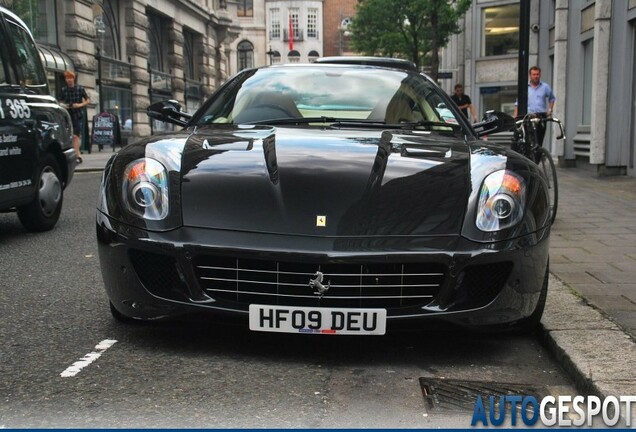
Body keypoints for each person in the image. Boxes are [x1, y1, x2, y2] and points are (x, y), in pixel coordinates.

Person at [513, 66, 556, 146]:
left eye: (537, 74)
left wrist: (550, 110)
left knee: (539, 140)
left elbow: (552, 99)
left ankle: (537, 157)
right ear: (530, 75)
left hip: (541, 116)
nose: (536, 76)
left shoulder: (545, 87)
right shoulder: (525, 87)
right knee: (527, 138)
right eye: (534, 74)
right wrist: (515, 117)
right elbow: (517, 103)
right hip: (528, 116)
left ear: (540, 75)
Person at [58, 70, 90, 163]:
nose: (69, 80)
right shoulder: (63, 90)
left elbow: (88, 100)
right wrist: (64, 105)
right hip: (67, 115)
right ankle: (75, 154)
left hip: (77, 115)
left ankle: (77, 155)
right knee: (70, 135)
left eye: (70, 78)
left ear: (73, 79)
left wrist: (79, 105)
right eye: (67, 78)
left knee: (76, 136)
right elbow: (59, 101)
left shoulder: (80, 89)